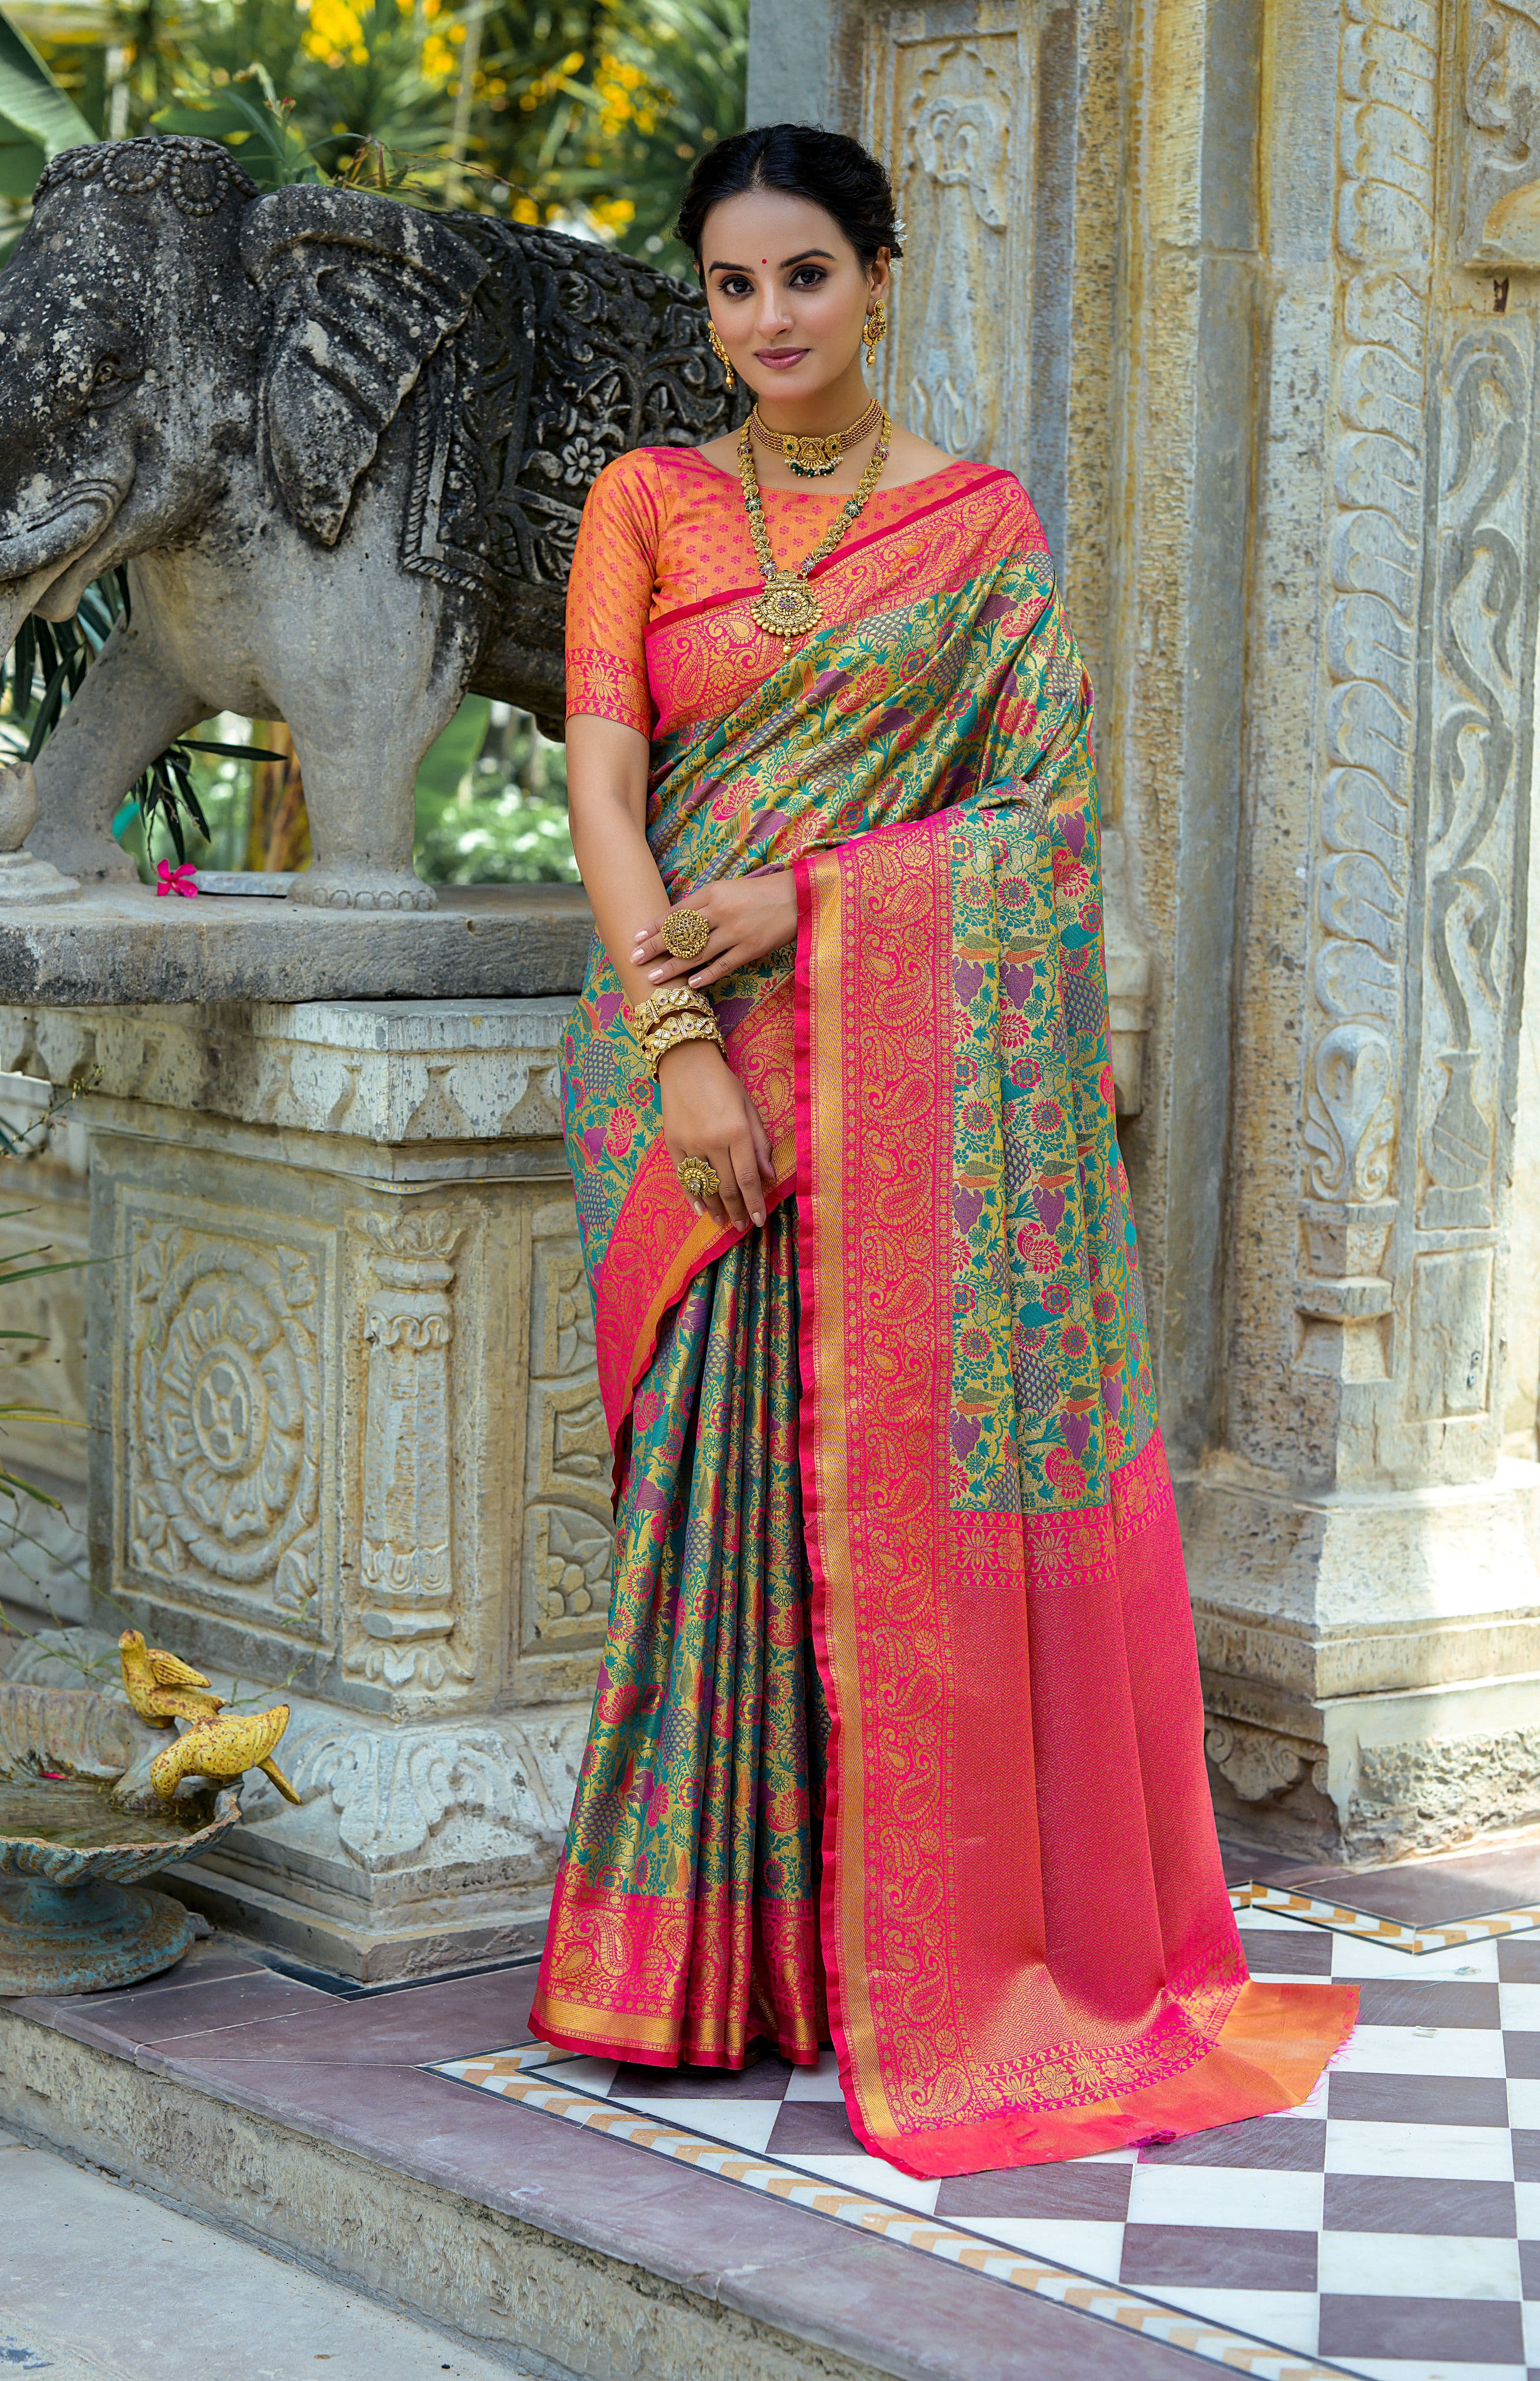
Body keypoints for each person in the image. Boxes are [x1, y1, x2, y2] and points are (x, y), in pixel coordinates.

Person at [529, 121, 1357, 2179]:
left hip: (895, 1071)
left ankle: (900, 1952)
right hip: (685, 1063)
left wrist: (811, 904)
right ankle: (706, 1970)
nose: (768, 319)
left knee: (893, 1498)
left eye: (804, 275)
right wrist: (682, 1046)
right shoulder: (648, 503)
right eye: (733, 286)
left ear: (881, 278)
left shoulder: (981, 530)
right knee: (711, 1501)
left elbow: (1044, 831)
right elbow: (606, 789)